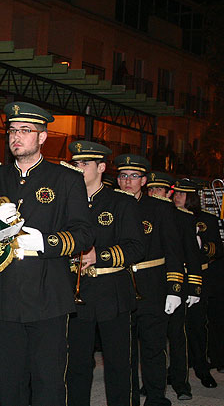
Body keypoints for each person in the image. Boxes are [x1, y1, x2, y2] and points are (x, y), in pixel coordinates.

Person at [0, 102, 94, 406]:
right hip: (4, 295)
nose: (16, 137)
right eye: (12, 130)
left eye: (25, 131)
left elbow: (84, 233)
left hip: (48, 297)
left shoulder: (66, 179)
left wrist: (46, 242)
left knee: (48, 381)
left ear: (42, 137)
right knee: (9, 382)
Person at [66, 141, 144, 406]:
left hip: (112, 294)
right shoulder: (66, 201)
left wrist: (98, 255)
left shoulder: (120, 202)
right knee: (76, 364)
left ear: (101, 167)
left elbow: (136, 248)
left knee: (118, 364)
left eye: (84, 164)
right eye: (75, 164)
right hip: (76, 296)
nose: (78, 169)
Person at [114, 155, 184, 406]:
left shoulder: (159, 208)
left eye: (133, 176)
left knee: (153, 348)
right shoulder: (109, 204)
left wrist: (175, 289)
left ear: (144, 180)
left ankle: (156, 398)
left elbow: (173, 250)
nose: (127, 181)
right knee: (124, 351)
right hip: (119, 285)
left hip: (152, 286)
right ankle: (129, 397)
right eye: (123, 176)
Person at [146, 171, 203, 399]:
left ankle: (181, 384)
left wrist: (194, 287)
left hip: (174, 284)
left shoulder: (182, 217)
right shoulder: (141, 212)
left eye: (158, 189)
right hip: (151, 285)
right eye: (150, 189)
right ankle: (154, 382)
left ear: (168, 193)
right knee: (152, 341)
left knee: (177, 337)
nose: (153, 193)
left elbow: (192, 255)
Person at [173, 179, 219, 388]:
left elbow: (217, 249)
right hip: (175, 277)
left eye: (182, 194)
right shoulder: (169, 216)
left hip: (198, 277)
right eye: (175, 193)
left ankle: (202, 368)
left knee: (197, 326)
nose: (177, 197)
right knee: (174, 329)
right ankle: (174, 370)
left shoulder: (206, 219)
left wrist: (201, 246)